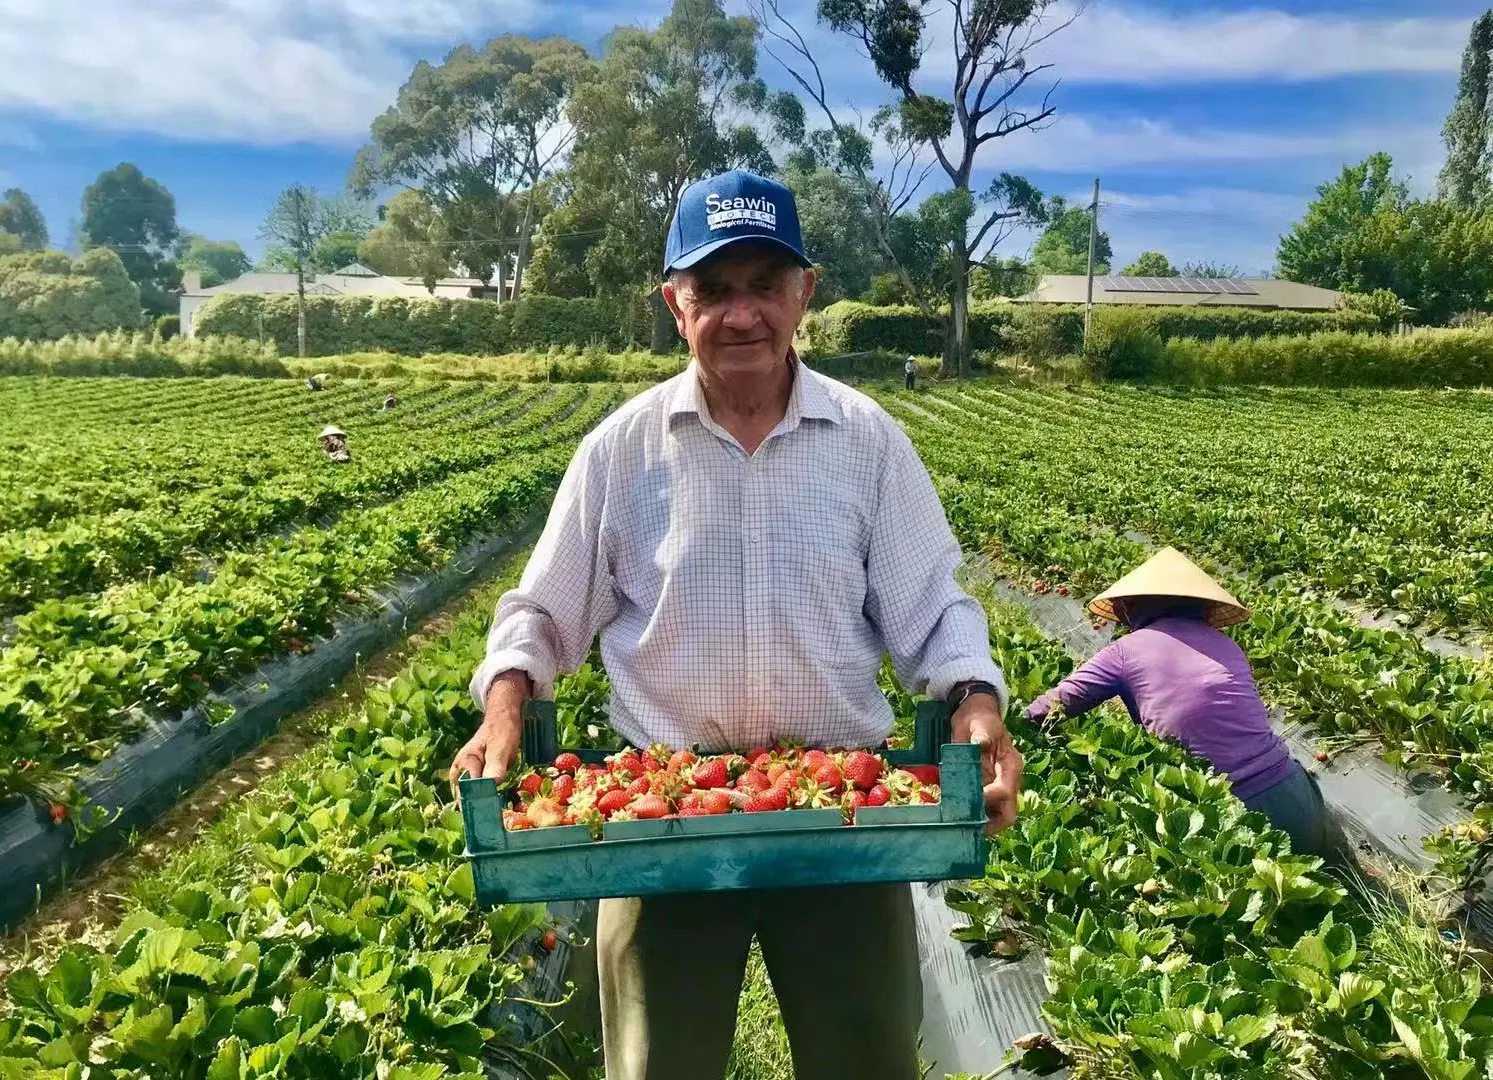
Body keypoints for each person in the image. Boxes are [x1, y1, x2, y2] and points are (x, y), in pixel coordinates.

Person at [449, 169, 1023, 1080]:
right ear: (675, 305)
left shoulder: (867, 441)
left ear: (806, 293)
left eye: (764, 283)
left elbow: (935, 607)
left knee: (866, 1059)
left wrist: (976, 699)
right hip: (659, 821)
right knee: (657, 1064)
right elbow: (542, 611)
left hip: (846, 821)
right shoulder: (621, 450)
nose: (741, 312)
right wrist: (507, 702)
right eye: (713, 289)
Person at [1027, 546, 1343, 862]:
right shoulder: (1226, 644)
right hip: (1300, 802)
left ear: (1129, 607)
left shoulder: (1125, 651)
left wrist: (1004, 724)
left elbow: (1049, 709)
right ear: (1202, 607)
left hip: (1232, 816)